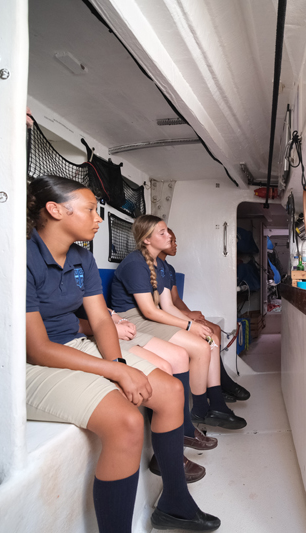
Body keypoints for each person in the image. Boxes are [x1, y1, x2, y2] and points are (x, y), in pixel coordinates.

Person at [25, 175, 219, 532]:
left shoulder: (81, 257)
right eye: (89, 210)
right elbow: (37, 349)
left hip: (76, 344)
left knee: (170, 391)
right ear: (55, 210)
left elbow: (101, 320)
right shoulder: (24, 257)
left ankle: (175, 503)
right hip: (31, 363)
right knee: (127, 422)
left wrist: (117, 362)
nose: (98, 218)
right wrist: (116, 372)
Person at [109, 215, 247, 429]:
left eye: (168, 231)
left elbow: (168, 306)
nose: (169, 236)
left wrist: (196, 326)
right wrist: (189, 325)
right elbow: (148, 311)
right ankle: (200, 409)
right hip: (134, 318)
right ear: (147, 239)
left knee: (210, 340)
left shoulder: (161, 265)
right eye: (162, 233)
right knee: (201, 347)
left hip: (152, 315)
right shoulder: (135, 264)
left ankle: (216, 404)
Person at [77, 310, 217, 483]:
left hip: (108, 326)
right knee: (163, 368)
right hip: (88, 335)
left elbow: (101, 310)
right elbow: (66, 323)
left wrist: (119, 320)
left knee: (178, 357)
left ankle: (180, 435)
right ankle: (163, 455)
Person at [161, 228, 250, 402]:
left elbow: (175, 299)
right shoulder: (151, 267)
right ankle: (220, 385)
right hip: (165, 317)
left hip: (176, 312)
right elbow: (160, 307)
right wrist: (188, 317)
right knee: (208, 335)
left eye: (175, 241)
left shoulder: (168, 269)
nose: (175, 245)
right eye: (172, 241)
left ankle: (217, 383)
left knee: (215, 328)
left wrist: (192, 314)